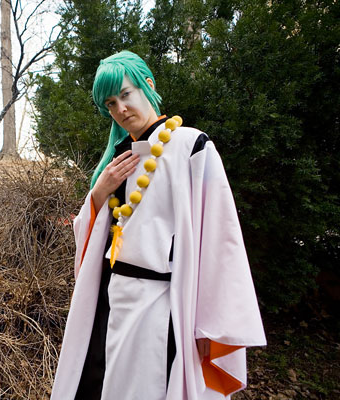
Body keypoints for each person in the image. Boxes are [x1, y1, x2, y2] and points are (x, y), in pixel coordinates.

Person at [50, 51, 266, 400]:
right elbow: (93, 237)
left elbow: (220, 238)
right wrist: (99, 193)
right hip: (110, 301)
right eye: (110, 103)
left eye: (125, 94)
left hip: (160, 305)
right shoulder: (119, 158)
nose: (121, 108)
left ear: (148, 85)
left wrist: (210, 324)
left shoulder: (191, 146)